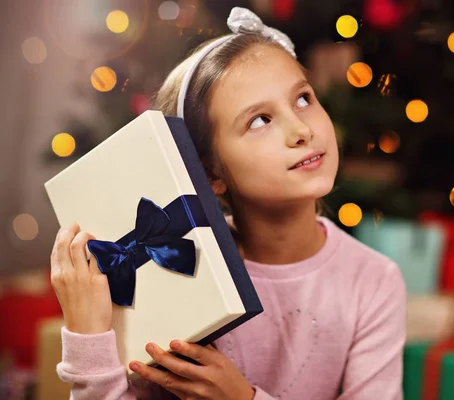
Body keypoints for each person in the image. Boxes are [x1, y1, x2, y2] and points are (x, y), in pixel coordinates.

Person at [50, 7, 406, 400]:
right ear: (210, 173)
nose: (302, 130)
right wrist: (88, 336)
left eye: (303, 98)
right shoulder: (177, 270)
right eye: (259, 121)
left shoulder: (374, 281)